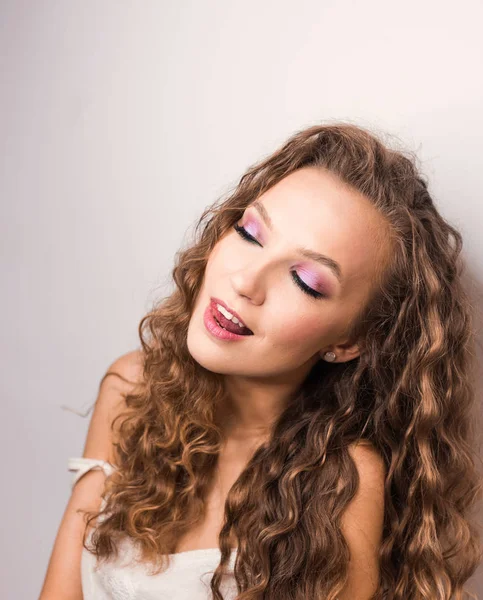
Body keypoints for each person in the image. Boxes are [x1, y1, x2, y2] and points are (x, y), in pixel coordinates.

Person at [39, 122, 483, 600]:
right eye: (250, 233)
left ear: (350, 341)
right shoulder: (130, 387)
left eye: (306, 281)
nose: (246, 280)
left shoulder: (342, 480)